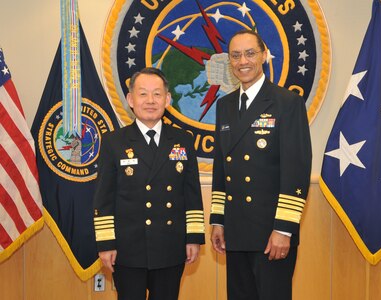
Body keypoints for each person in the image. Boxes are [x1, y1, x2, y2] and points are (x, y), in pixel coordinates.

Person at [210, 29, 312, 300]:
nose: (243, 61)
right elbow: (222, 167)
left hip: (271, 233)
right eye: (235, 55)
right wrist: (218, 221)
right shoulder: (225, 106)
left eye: (250, 53)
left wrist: (283, 229)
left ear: (264, 56)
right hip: (236, 230)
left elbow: (297, 170)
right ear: (229, 61)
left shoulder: (286, 102)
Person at [93, 67, 205, 300]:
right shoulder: (114, 142)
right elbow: (104, 197)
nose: (151, 101)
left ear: (168, 99)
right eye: (143, 94)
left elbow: (191, 193)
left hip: (170, 245)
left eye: (157, 94)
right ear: (131, 100)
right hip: (127, 248)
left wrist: (193, 237)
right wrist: (106, 243)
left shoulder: (183, 140)